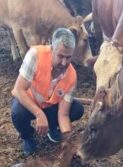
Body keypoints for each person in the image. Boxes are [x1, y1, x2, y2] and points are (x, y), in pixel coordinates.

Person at [11, 28, 84, 156]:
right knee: (17, 113)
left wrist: (67, 139)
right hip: (28, 102)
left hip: (49, 106)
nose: (64, 62)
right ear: (52, 49)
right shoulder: (35, 55)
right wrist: (39, 114)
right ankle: (28, 137)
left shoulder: (72, 75)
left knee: (77, 109)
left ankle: (52, 128)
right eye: (60, 56)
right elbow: (18, 90)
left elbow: (63, 114)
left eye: (68, 57)